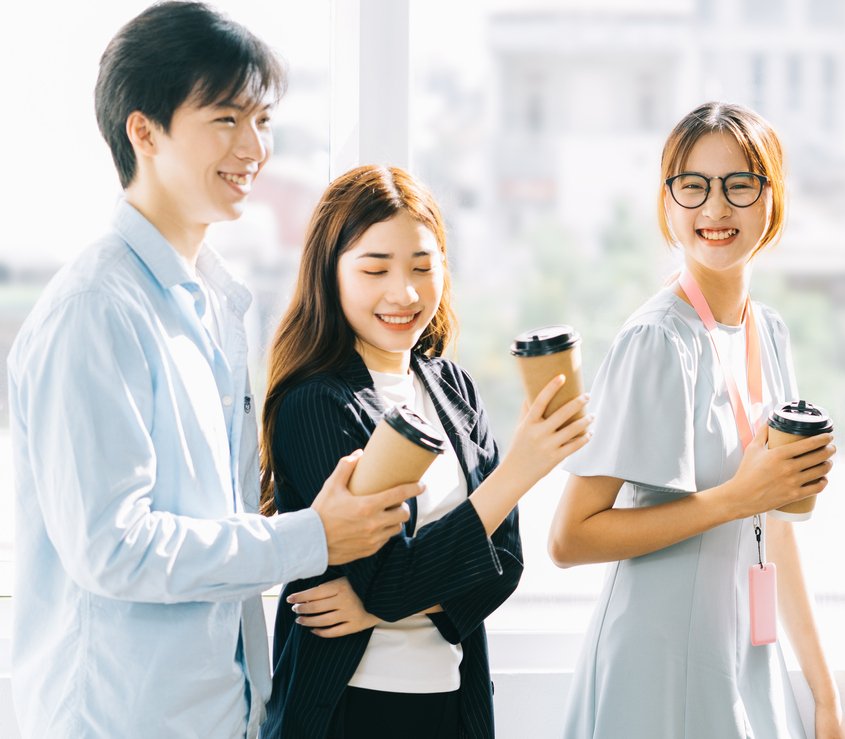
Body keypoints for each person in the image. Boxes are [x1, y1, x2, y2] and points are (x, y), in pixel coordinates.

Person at [6, 5, 419, 737]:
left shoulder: (218, 303)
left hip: (218, 710)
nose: (254, 147)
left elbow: (210, 526)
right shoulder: (97, 309)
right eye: (226, 118)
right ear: (145, 130)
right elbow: (116, 547)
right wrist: (313, 535)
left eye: (263, 120)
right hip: (118, 720)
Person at [548, 102, 845, 739]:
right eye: (693, 186)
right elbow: (569, 538)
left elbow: (777, 525)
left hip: (744, 651)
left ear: (773, 200)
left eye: (740, 185)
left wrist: (824, 696)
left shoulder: (769, 332)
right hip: (655, 662)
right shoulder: (657, 341)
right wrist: (734, 499)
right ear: (667, 201)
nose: (715, 209)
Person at [256, 165, 590, 738]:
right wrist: (519, 472)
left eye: (422, 266)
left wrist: (375, 606)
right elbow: (389, 575)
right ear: (329, 273)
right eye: (375, 268)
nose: (404, 292)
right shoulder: (314, 404)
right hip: (348, 710)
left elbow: (503, 566)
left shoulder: (452, 387)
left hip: (452, 707)